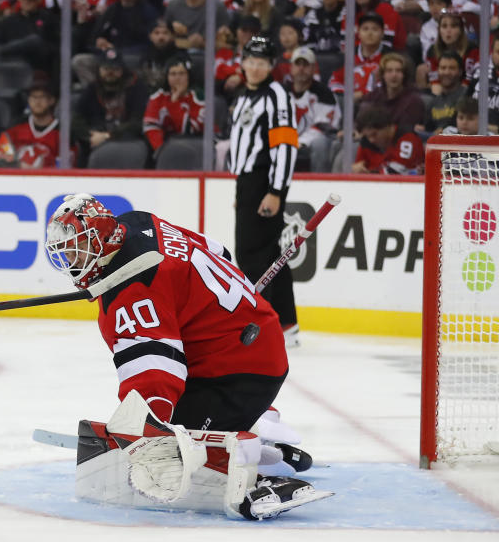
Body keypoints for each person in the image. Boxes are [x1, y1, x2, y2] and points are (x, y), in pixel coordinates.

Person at [43, 193, 327, 518]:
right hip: (250, 339)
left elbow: (154, 374)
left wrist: (149, 432)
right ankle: (260, 438)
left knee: (176, 448)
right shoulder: (138, 223)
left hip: (239, 369)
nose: (73, 261)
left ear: (103, 240)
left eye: (78, 250)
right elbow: (220, 252)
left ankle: (251, 477)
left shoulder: (131, 290)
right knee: (181, 427)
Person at [228, 37, 299, 346]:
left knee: (252, 256)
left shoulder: (277, 96)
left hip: (264, 182)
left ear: (272, 66)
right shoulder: (244, 96)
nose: (255, 68)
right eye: (250, 62)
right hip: (248, 182)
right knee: (271, 255)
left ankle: (260, 328)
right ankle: (286, 325)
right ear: (242, 62)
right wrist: (240, 188)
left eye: (262, 63)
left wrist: (275, 191)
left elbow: (285, 146)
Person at [72, 0, 158, 86]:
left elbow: (151, 43)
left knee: (135, 63)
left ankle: (127, 93)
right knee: (80, 61)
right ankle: (99, 93)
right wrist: (100, 43)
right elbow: (94, 38)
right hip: (108, 57)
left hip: (134, 57)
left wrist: (118, 52)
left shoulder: (148, 11)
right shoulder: (111, 10)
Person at [71, 47, 147, 166]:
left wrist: (108, 135)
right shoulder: (93, 88)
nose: (110, 73)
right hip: (94, 140)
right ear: (99, 69)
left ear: (122, 70)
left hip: (128, 141)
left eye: (115, 69)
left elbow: (139, 122)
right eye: (106, 68)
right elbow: (76, 119)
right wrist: (89, 136)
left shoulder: (136, 87)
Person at [0, 78, 65, 168]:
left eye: (42, 97)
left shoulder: (62, 132)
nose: (37, 101)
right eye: (33, 97)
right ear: (28, 100)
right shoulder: (15, 127)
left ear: (52, 100)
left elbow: (68, 168)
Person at [287, 47, 339, 173]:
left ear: (314, 68)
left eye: (306, 65)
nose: (301, 69)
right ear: (291, 68)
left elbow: (323, 127)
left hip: (311, 143)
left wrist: (299, 143)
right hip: (285, 140)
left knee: (320, 143)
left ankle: (319, 183)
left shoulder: (324, 94)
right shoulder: (281, 92)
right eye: (298, 64)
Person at [142, 53, 204, 155]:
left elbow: (188, 130)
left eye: (181, 73)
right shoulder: (158, 97)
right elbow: (151, 127)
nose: (177, 78)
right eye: (173, 74)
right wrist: (162, 151)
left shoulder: (199, 98)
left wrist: (175, 102)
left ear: (189, 76)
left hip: (193, 148)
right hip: (164, 150)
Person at [359, 53, 426, 133]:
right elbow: (362, 122)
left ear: (404, 75)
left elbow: (405, 129)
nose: (394, 75)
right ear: (383, 75)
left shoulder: (413, 100)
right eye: (389, 71)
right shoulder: (374, 95)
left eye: (398, 71)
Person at [163, 0, 230, 53]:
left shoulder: (217, 7)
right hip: (180, 57)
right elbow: (164, 38)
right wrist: (176, 34)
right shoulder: (173, 6)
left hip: (210, 57)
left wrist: (203, 43)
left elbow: (227, 45)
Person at [352, 105, 424, 174]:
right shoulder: (366, 142)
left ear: (388, 127)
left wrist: (367, 174)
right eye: (367, 136)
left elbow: (398, 172)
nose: (371, 140)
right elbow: (358, 167)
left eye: (374, 134)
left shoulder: (408, 139)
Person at [419, 51, 467, 135]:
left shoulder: (467, 96)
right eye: (443, 68)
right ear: (437, 71)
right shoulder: (433, 102)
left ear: (460, 72)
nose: (446, 72)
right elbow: (428, 129)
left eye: (451, 68)